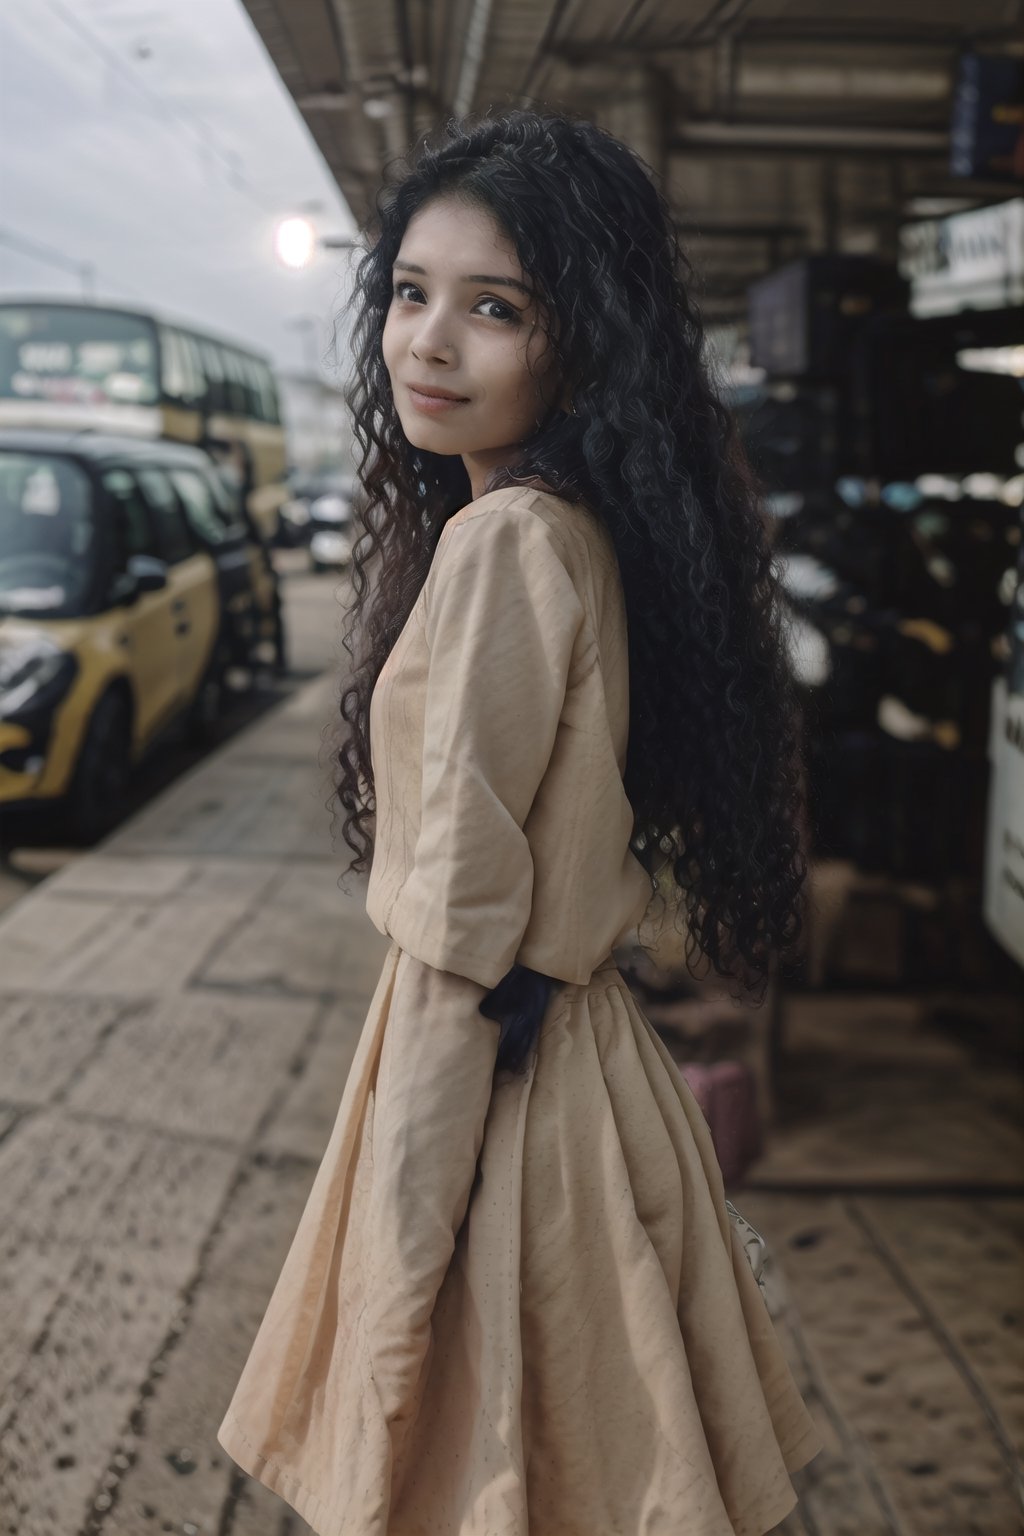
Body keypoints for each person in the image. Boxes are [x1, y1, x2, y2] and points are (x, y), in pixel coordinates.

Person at [216, 107, 825, 1534]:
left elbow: (453, 958)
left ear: (579, 343)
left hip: (497, 1093)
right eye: (410, 293)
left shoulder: (499, 547)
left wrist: (395, 1263)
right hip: (585, 1067)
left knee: (473, 1474)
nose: (428, 342)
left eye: (494, 308)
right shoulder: (579, 529)